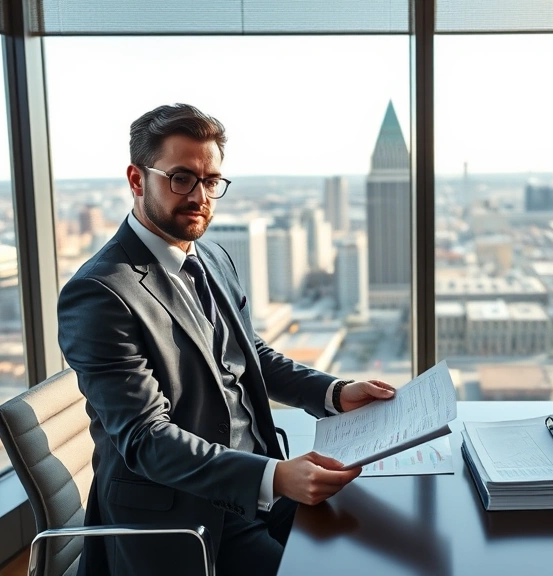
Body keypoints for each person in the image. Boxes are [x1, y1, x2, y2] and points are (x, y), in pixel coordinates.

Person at [58, 103, 395, 576]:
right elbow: (146, 439)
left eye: (210, 180)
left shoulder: (212, 258)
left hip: (255, 489)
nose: (199, 196)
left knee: (381, 540)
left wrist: (334, 393)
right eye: (180, 178)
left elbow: (251, 356)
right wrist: (273, 477)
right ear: (137, 180)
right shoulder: (99, 294)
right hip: (186, 519)